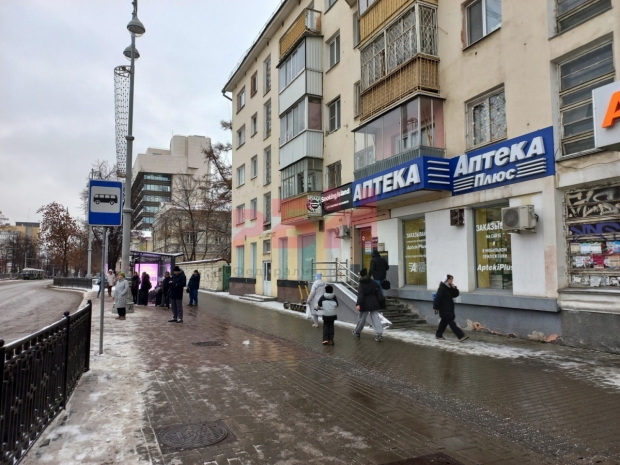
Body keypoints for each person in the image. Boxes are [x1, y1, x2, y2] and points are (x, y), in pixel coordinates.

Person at [353, 268, 384, 342]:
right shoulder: (373, 282)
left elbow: (360, 295)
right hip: (374, 301)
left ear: (361, 275)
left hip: (365, 303)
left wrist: (358, 303)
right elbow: (378, 291)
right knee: (376, 319)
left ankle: (357, 332)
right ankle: (379, 334)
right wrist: (379, 300)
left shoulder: (362, 283)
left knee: (362, 319)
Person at [434, 274, 468, 342]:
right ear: (446, 280)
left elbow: (455, 294)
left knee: (444, 322)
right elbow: (438, 298)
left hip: (448, 308)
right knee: (451, 322)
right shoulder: (442, 288)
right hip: (444, 309)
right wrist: (435, 307)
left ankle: (438, 335)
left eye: (452, 279)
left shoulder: (448, 288)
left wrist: (454, 288)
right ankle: (461, 336)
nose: (451, 280)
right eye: (450, 279)